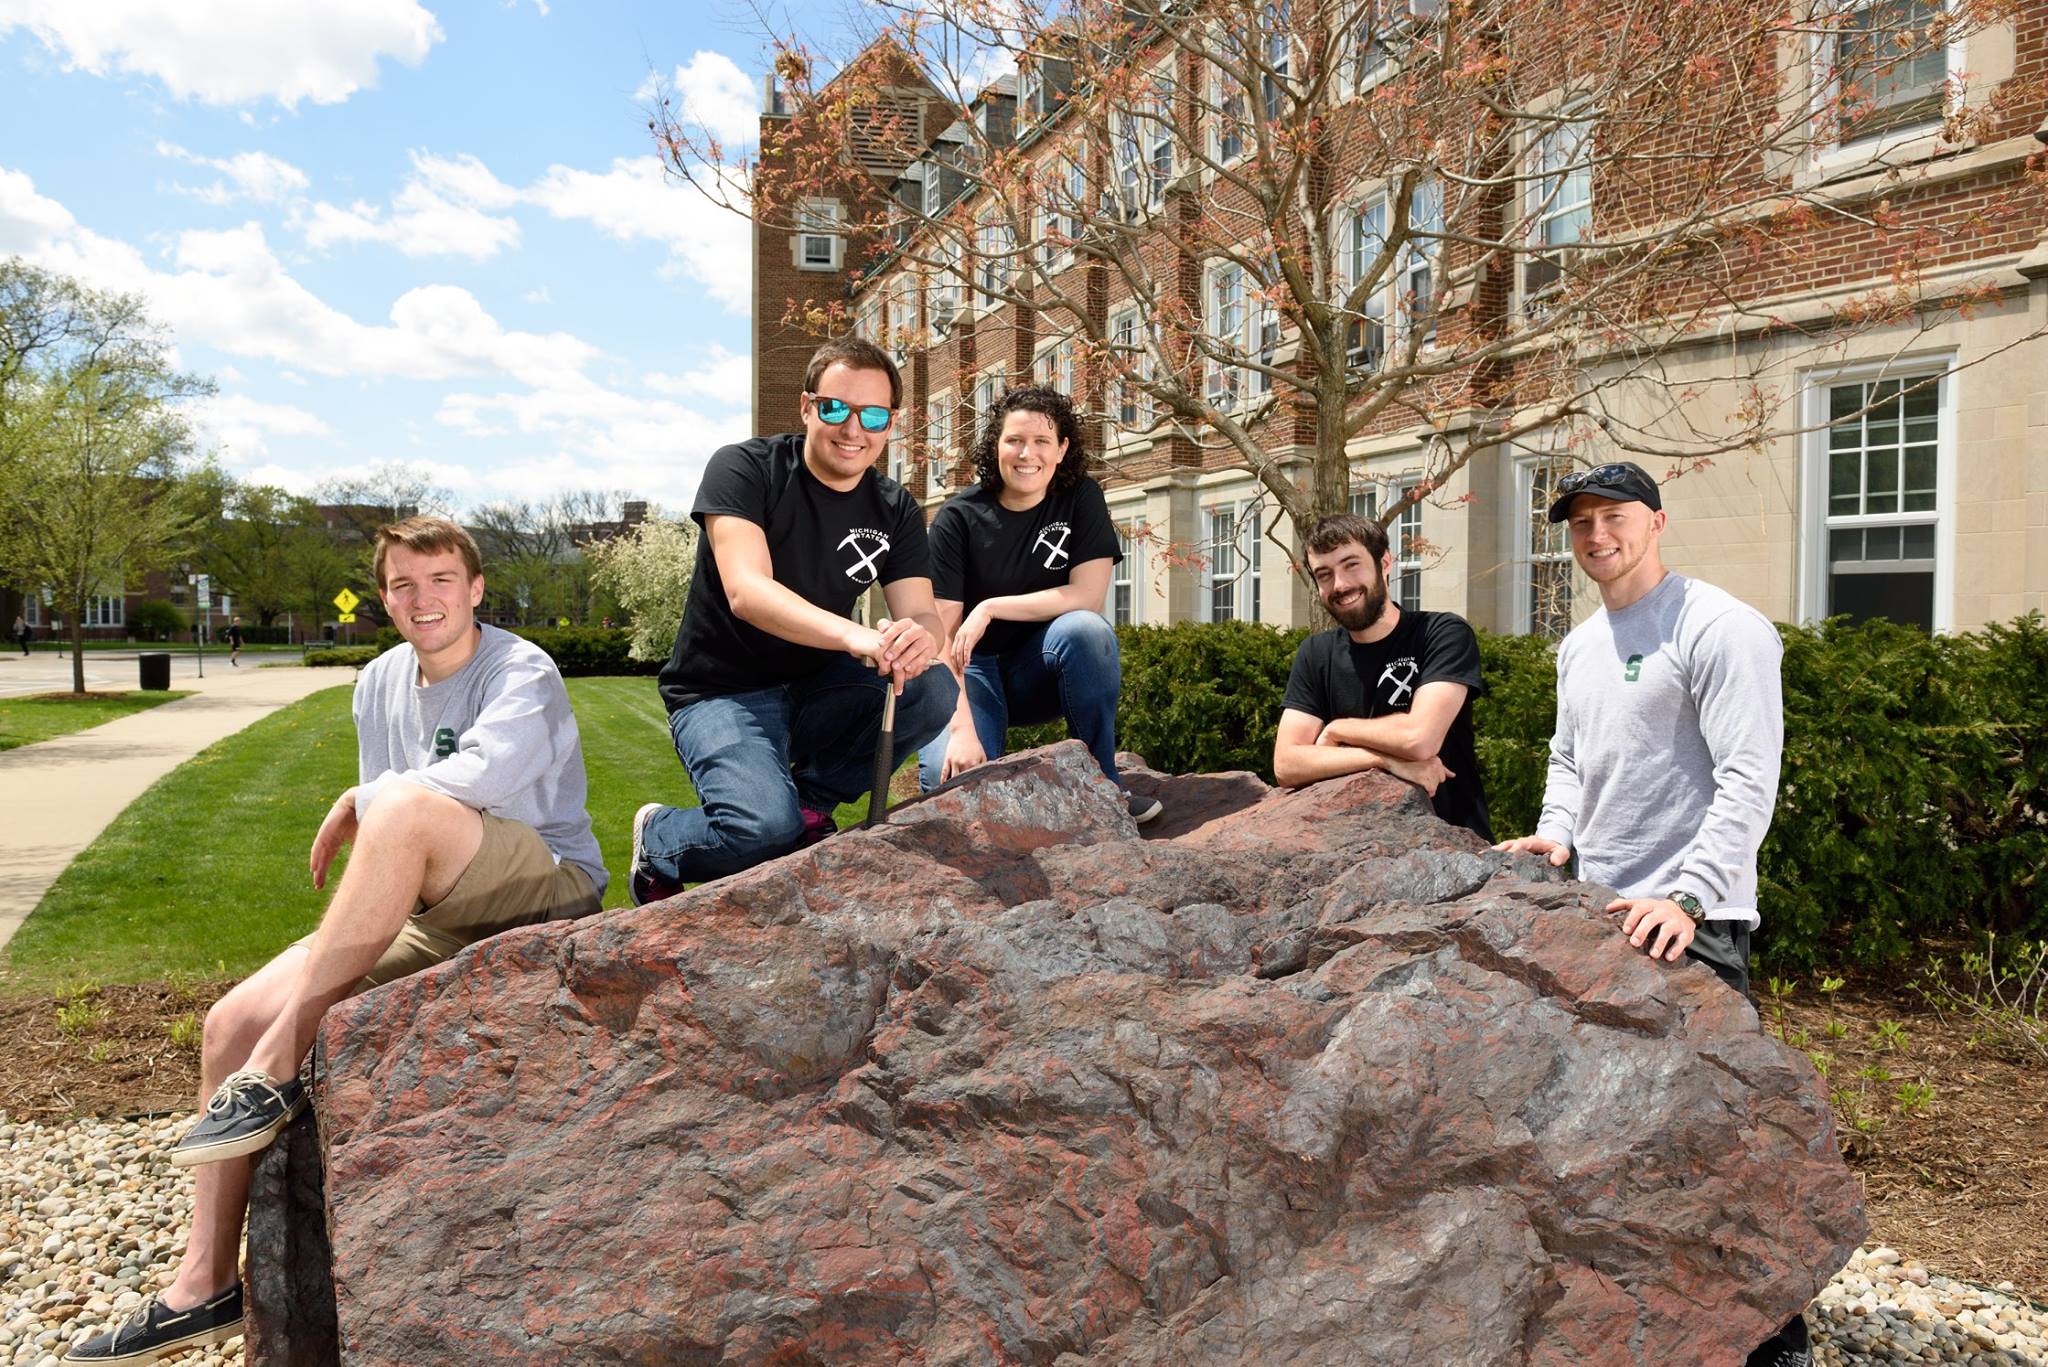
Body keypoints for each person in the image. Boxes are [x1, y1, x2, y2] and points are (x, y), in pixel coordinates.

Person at [62, 516, 607, 1365]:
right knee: (227, 1022)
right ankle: (202, 1283)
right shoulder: (379, 682)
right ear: (384, 596)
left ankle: (276, 1067)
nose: (422, 599)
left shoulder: (519, 669)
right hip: (434, 908)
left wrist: (371, 799)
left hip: (543, 886)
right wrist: (378, 804)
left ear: (475, 588)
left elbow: (483, 780)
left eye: (439, 580)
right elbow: (392, 836)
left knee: (400, 806)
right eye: (402, 584)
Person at [1489, 462, 1799, 1366]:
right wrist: (1555, 836)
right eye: (1581, 521)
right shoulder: (1581, 643)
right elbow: (1569, 759)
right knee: (1616, 1143)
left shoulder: (1720, 626)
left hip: (1692, 923)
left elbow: (1750, 777)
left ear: (1656, 522)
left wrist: (1690, 893)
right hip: (1600, 915)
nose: (1596, 536)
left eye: (1614, 517)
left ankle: (1776, 1335)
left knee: (1721, 1147)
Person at [628, 336, 955, 904]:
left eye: (873, 415)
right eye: (836, 408)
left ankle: (808, 804)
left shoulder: (894, 507)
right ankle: (660, 837)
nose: (854, 430)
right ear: (807, 407)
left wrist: (917, 638)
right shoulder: (745, 469)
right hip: (720, 693)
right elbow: (747, 591)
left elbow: (923, 611)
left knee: (930, 687)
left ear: (892, 423)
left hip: (818, 686)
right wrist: (856, 634)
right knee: (759, 831)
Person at [917, 385, 1158, 823]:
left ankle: (1104, 786)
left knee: (1086, 628)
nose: (1028, 454)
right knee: (946, 778)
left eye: (1042, 441)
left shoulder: (1080, 498)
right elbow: (941, 639)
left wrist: (991, 606)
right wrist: (961, 730)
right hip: (972, 672)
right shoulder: (958, 517)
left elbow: (1087, 596)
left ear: (1062, 449)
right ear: (997, 446)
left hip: (1044, 669)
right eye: (1015, 440)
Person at [1271, 511, 1492, 840]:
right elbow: (1287, 764)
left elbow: (1419, 739)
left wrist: (1338, 730)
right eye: (1324, 574)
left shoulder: (1441, 634)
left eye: (1351, 565)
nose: (1340, 585)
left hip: (1453, 847)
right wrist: (1386, 761)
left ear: (1385, 562)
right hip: (1355, 853)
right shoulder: (1315, 654)